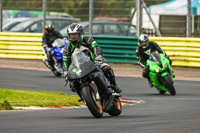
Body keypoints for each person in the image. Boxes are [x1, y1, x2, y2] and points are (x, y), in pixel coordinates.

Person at [62, 23, 122, 93]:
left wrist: (98, 57)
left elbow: (96, 48)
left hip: (94, 62)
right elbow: (65, 61)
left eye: (75, 34)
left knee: (106, 68)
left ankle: (114, 85)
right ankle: (84, 96)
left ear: (80, 34)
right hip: (79, 68)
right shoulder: (67, 48)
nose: (73, 37)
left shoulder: (88, 40)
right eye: (71, 35)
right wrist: (66, 72)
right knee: (72, 83)